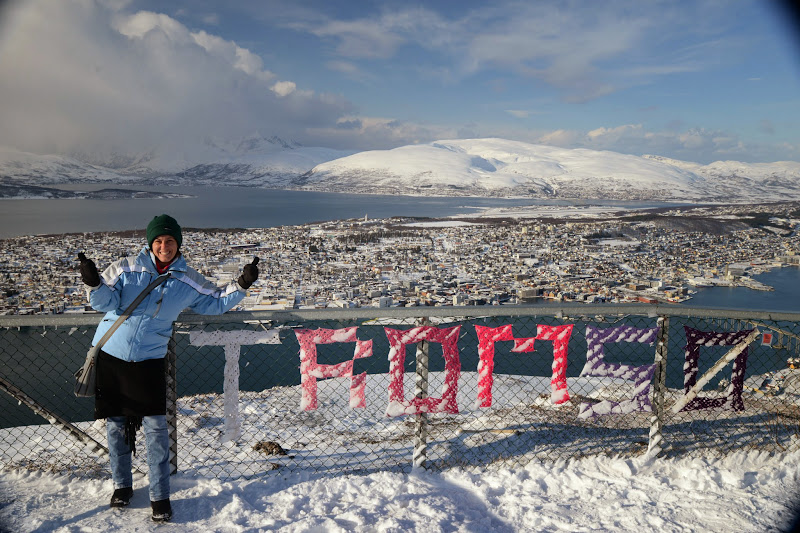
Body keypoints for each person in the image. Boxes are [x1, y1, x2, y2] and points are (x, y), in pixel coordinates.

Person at [78, 214, 259, 523]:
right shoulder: (126, 268)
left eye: (170, 241)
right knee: (116, 426)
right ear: (150, 244)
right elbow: (104, 302)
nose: (164, 246)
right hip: (112, 354)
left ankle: (159, 495)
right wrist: (93, 281)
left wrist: (242, 284)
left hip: (149, 360)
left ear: (178, 245)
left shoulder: (186, 279)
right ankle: (122, 486)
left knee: (157, 431)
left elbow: (214, 302)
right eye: (159, 241)